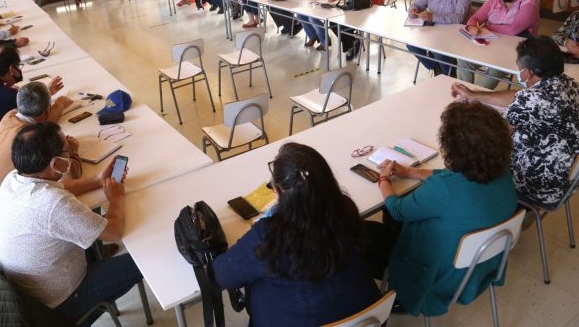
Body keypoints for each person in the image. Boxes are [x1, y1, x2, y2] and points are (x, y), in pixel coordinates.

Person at [367, 101, 517, 317]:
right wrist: (412, 173)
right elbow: (452, 178)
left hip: (438, 275)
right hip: (480, 266)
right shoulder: (502, 172)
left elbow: (397, 209)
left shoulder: (443, 189)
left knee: (363, 230)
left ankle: (395, 296)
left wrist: (383, 178)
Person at [213, 143, 380, 326]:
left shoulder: (270, 235)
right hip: (364, 317)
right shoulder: (345, 209)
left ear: (278, 193)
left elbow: (222, 275)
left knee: (257, 280)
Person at [0, 122, 143, 324]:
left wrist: (98, 180)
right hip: (60, 304)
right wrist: (116, 197)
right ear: (56, 164)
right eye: (68, 150)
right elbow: (114, 232)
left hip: (29, 293)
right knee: (143, 262)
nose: (71, 152)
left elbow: (60, 187)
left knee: (90, 221)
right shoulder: (53, 204)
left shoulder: (13, 179)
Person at [451, 36, 579, 207]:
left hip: (535, 186)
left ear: (528, 72)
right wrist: (474, 95)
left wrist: (466, 112)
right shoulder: (569, 85)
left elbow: (493, 136)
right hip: (561, 180)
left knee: (469, 162)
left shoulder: (531, 99)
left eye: (519, 68)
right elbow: (519, 96)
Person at [0, 82, 74, 222]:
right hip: (11, 216)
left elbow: (43, 121)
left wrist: (48, 97)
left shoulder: (9, 116)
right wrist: (72, 153)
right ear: (47, 110)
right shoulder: (32, 141)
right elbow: (68, 175)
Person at [458, 0, 540, 89]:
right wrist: (472, 26)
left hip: (515, 49)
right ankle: (463, 93)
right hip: (490, 45)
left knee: (494, 70)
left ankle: (474, 96)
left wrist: (486, 27)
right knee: (464, 61)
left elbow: (513, 30)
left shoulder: (530, 4)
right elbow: (476, 17)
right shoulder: (495, 0)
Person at [404, 0, 472, 76]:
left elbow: (458, 17)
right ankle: (437, 67)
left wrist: (433, 17)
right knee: (412, 44)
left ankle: (448, 73)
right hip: (431, 28)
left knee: (438, 50)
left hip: (452, 31)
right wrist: (413, 9)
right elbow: (417, 3)